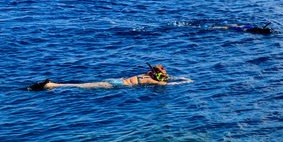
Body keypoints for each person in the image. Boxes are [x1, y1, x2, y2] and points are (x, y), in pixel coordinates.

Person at [25, 64, 192, 91]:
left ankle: (54, 84)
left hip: (117, 80)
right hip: (116, 86)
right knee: (82, 87)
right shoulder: (149, 80)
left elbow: (161, 78)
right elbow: (167, 84)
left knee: (84, 84)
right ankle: (51, 85)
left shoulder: (145, 74)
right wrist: (184, 81)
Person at [210, 22, 275, 35]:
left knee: (237, 25)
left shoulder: (262, 29)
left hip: (250, 27)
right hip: (249, 29)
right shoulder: (260, 32)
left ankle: (227, 23)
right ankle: (215, 27)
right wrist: (245, 31)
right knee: (229, 28)